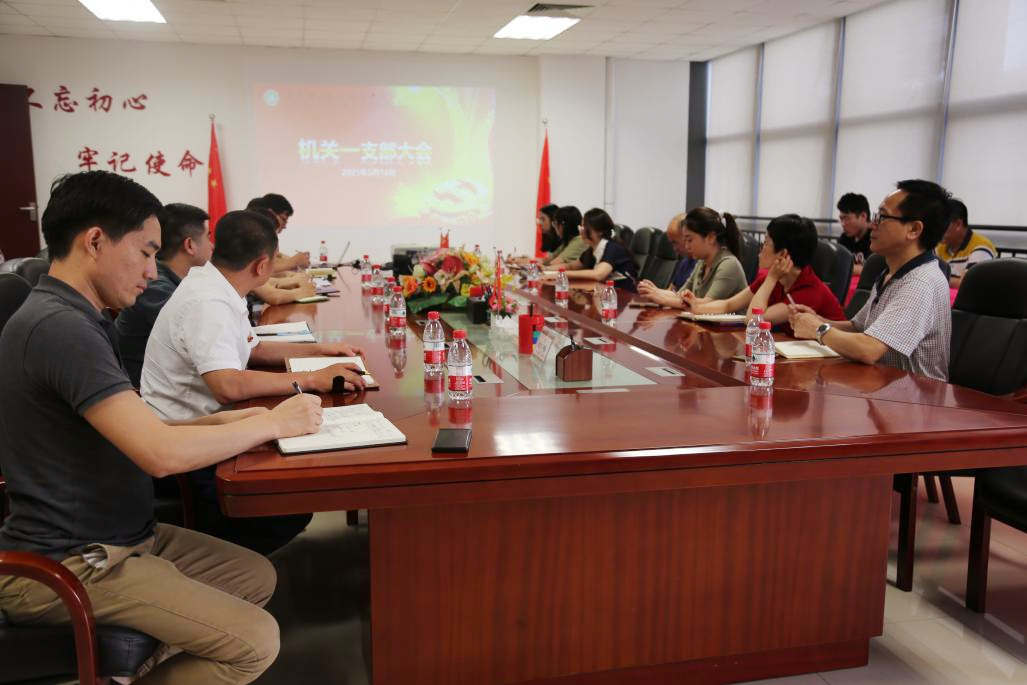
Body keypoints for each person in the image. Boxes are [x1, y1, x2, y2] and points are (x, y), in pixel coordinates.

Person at [0, 170, 324, 685]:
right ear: (95, 241)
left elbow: (142, 424)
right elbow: (159, 454)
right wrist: (273, 422)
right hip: (76, 561)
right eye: (146, 252)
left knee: (254, 575)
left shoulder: (83, 316)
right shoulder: (60, 329)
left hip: (124, 537)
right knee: (255, 642)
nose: (154, 271)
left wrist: (239, 419)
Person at [141, 209, 365, 554]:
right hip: (190, 448)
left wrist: (320, 351)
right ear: (262, 265)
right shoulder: (208, 301)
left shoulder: (217, 285)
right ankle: (224, 559)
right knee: (293, 499)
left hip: (211, 426)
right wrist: (312, 379)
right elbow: (227, 385)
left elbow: (253, 348)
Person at [789, 179, 952, 381]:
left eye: (882, 217)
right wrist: (819, 320)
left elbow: (869, 349)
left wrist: (818, 329)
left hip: (915, 396)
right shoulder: (890, 272)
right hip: (880, 385)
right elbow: (859, 327)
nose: (873, 224)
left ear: (914, 230)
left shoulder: (920, 283)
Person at [680, 214, 845, 333]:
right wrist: (696, 306)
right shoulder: (775, 279)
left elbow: (753, 320)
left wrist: (771, 278)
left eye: (765, 243)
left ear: (783, 254)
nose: (760, 249)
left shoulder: (808, 290)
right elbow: (728, 305)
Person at [114, 203, 212, 387]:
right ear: (190, 245)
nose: (212, 245)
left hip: (173, 382)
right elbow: (207, 332)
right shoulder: (153, 287)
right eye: (208, 237)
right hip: (147, 393)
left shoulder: (182, 279)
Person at [672, 208, 748, 310]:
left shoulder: (729, 264)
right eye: (685, 241)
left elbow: (705, 305)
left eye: (690, 240)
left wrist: (660, 298)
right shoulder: (701, 263)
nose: (687, 246)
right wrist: (654, 293)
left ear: (711, 237)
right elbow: (679, 295)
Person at [547, 208, 639, 291]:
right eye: (581, 227)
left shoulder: (612, 248)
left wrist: (562, 274)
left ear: (600, 231)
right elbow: (571, 266)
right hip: (606, 293)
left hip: (624, 296)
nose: (581, 231)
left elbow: (598, 274)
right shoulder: (592, 250)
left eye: (585, 228)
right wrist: (546, 270)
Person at [637, 212, 696, 306]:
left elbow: (694, 300)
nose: (674, 248)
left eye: (675, 242)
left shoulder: (702, 264)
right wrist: (654, 291)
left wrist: (659, 296)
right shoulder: (685, 262)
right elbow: (674, 291)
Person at [936, 198, 995, 288]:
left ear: (958, 224)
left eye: (942, 224)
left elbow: (968, 283)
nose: (937, 229)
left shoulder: (981, 246)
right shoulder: (940, 246)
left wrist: (936, 279)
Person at [246, 195, 309, 272]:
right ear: (270, 213)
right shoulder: (251, 234)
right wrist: (293, 262)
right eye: (284, 219)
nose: (284, 226)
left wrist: (293, 261)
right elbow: (260, 269)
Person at [837, 192, 873, 272]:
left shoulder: (876, 239)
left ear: (863, 216)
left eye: (846, 218)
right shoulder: (844, 238)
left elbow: (874, 270)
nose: (843, 224)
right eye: (841, 219)